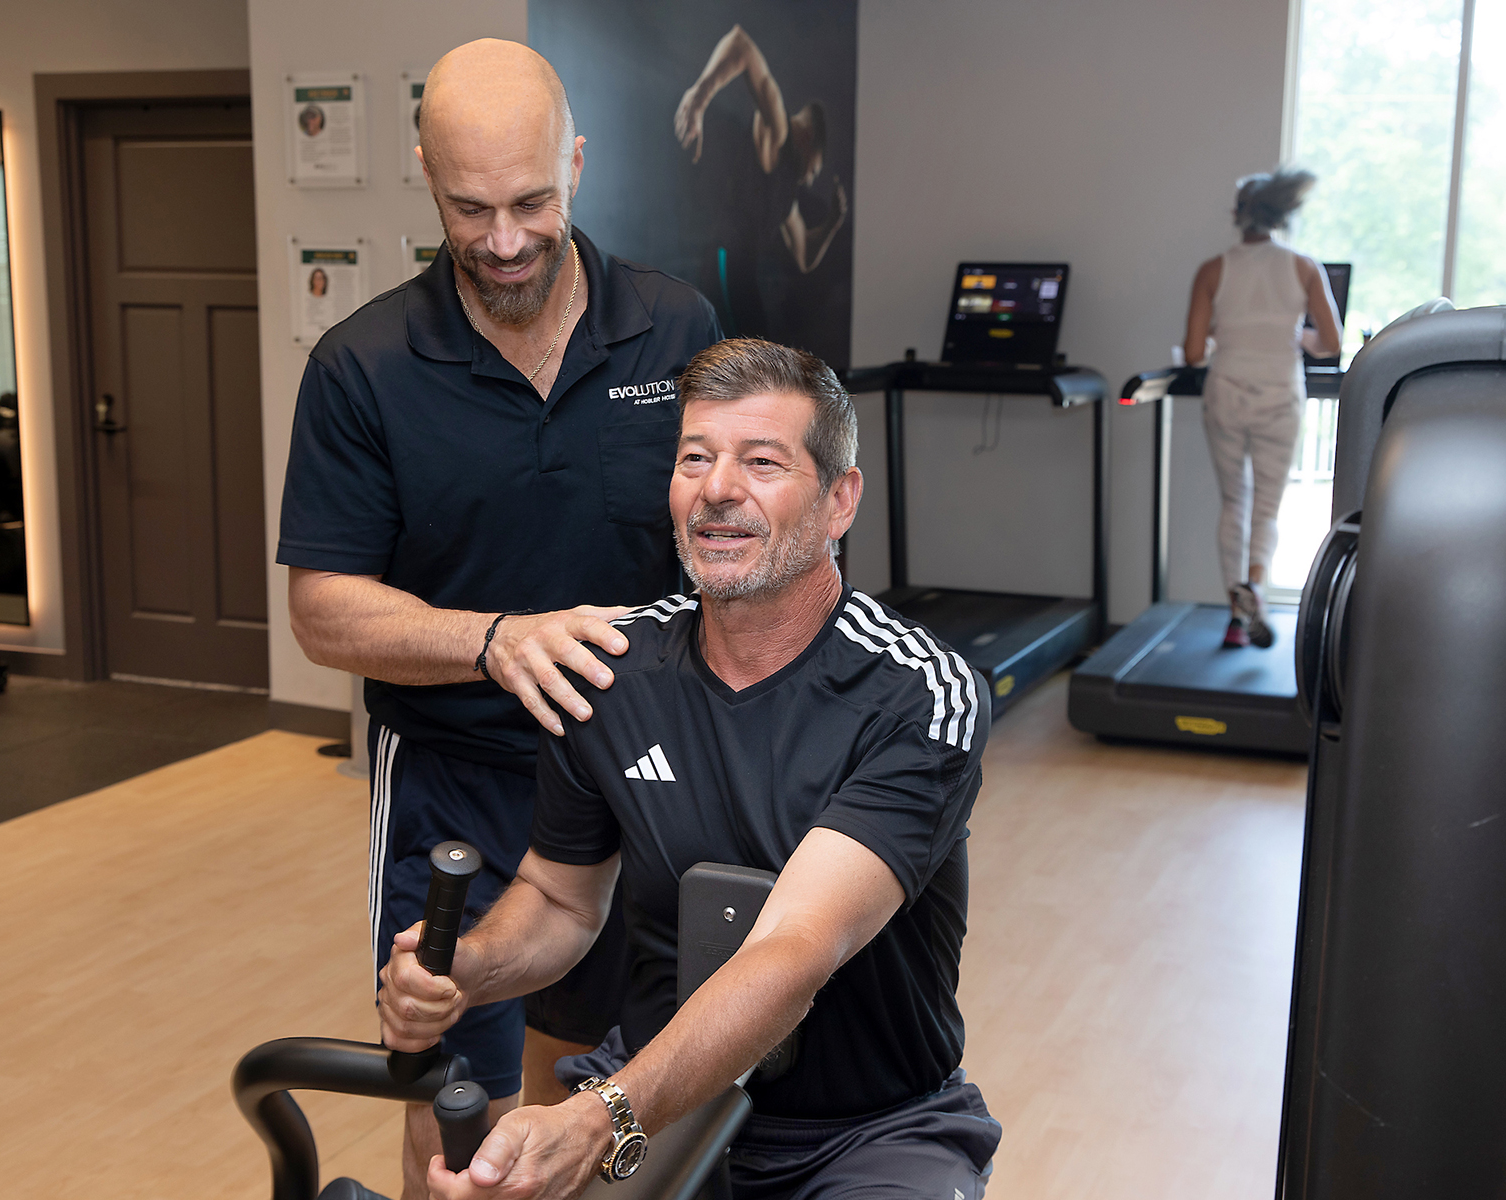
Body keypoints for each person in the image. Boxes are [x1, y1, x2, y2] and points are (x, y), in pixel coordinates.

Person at [378, 339, 1001, 1200]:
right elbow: (561, 900)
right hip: (657, 1097)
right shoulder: (609, 670)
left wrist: (600, 1118)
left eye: (762, 462)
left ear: (839, 499)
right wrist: (470, 969)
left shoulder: (919, 693)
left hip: (865, 1132)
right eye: (695, 459)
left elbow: (793, 950)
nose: (717, 489)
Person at [276, 38, 720, 1200]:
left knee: (600, 1079)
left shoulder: (676, 329)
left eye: (531, 202)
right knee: (453, 1098)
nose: (507, 240)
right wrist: (495, 639)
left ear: (576, 163)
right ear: (426, 174)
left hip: (636, 771)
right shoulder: (363, 366)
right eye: (471, 209)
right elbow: (322, 611)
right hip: (454, 780)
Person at [1182, 167, 1340, 649]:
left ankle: (1236, 616)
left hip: (1227, 392)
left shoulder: (1213, 269)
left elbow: (1193, 353)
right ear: (1281, 214)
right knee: (1267, 506)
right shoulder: (1303, 267)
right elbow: (1330, 343)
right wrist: (1295, 335)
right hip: (1279, 394)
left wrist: (1224, 337)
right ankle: (1255, 585)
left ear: (1238, 214)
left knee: (1235, 501)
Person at [673, 25, 848, 338]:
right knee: (744, 353)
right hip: (726, 258)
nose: (809, 179)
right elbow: (740, 43)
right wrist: (700, 96)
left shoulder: (786, 194)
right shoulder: (778, 132)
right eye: (814, 170)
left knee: (755, 351)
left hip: (743, 273)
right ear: (808, 137)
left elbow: (804, 256)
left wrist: (832, 223)